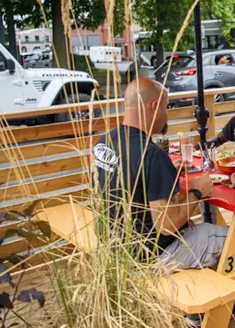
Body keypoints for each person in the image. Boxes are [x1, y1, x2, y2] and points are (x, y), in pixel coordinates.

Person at [93, 78, 227, 270]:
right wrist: (196, 191)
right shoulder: (151, 154)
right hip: (150, 257)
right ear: (154, 106)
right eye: (166, 107)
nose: (167, 115)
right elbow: (167, 225)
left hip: (114, 248)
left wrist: (167, 170)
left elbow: (130, 177)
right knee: (232, 237)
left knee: (191, 225)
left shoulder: (105, 140)